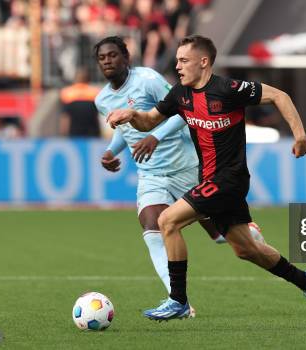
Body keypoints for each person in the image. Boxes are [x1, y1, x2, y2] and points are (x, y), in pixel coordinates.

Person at [106, 34, 306, 321]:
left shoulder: (228, 89)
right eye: (177, 61)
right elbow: (149, 121)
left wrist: (300, 135)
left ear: (204, 62)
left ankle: (178, 300)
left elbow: (279, 96)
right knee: (246, 250)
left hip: (230, 179)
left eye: (184, 60)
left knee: (167, 221)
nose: (179, 66)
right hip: (208, 179)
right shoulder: (179, 94)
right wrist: (132, 114)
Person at [93, 36, 264, 316]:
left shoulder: (147, 79)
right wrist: (112, 152)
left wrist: (155, 137)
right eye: (102, 58)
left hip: (185, 166)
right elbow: (125, 131)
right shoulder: (102, 100)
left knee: (222, 236)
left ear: (126, 57)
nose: (108, 61)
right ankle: (179, 302)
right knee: (152, 232)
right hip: (150, 173)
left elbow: (183, 109)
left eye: (113, 55)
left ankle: (250, 233)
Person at [59, 67, 101, 138]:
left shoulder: (66, 93)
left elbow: (65, 117)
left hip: (74, 133)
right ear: (88, 79)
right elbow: (98, 116)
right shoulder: (95, 92)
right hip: (92, 133)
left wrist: (63, 134)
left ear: (75, 79)